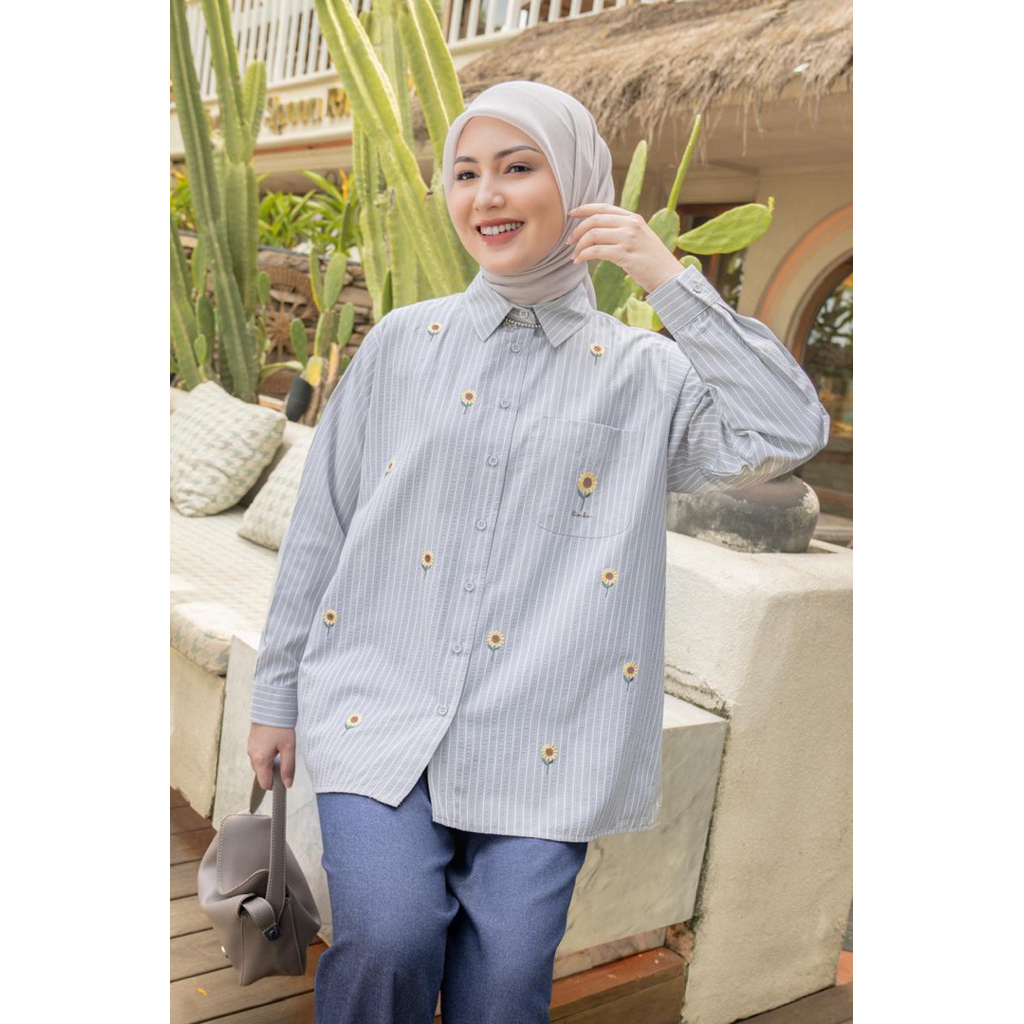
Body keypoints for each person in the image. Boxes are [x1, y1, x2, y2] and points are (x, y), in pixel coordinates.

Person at [247, 80, 829, 1024]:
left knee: (507, 980)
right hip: (377, 707)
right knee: (389, 938)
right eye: (466, 173)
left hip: (549, 733)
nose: (487, 196)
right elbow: (325, 527)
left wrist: (670, 282)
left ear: (582, 188)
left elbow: (789, 427)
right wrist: (276, 697)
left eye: (519, 168)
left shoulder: (646, 373)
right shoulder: (400, 344)